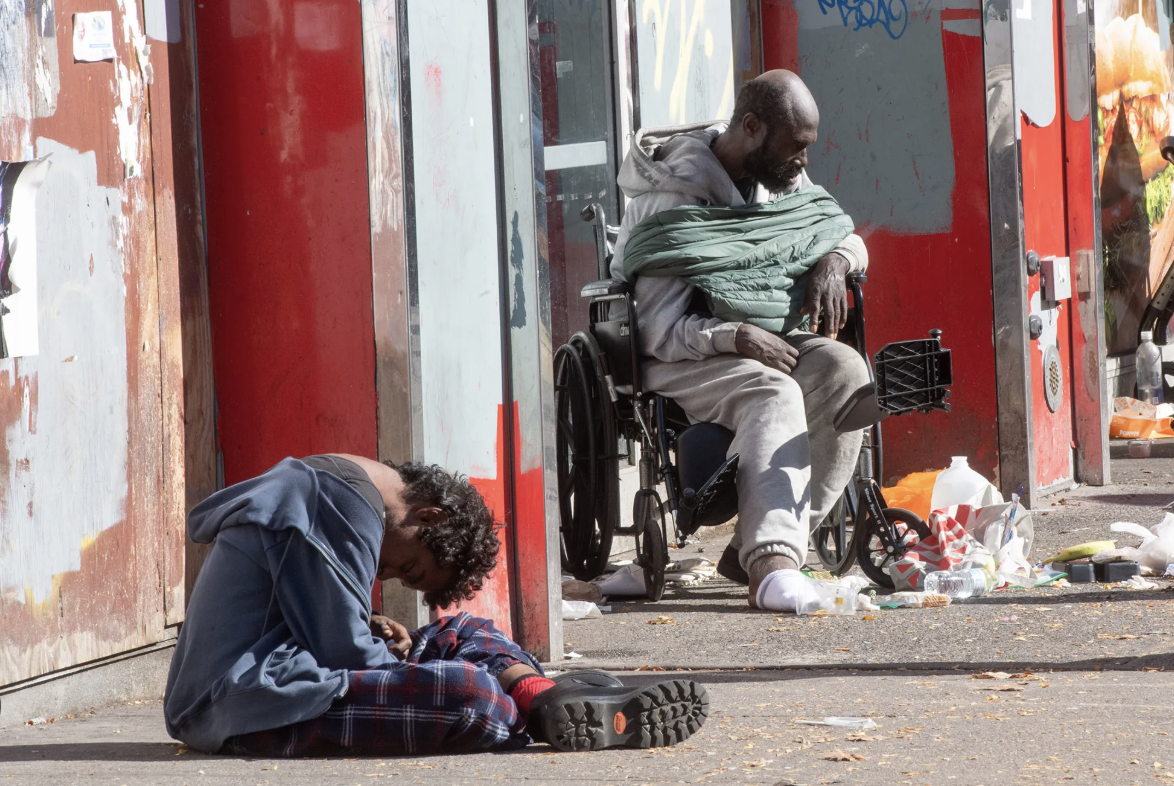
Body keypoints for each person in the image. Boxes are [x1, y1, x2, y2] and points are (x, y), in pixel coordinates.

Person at [163, 454, 708, 756]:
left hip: (287, 676)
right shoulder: (337, 497)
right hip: (242, 704)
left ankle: (543, 695)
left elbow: (320, 624)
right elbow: (341, 651)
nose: (388, 574)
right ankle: (535, 704)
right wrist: (393, 660)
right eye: (410, 568)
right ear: (429, 518)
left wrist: (388, 640)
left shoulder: (346, 495)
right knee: (469, 693)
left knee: (461, 628)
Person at [612, 70, 874, 613]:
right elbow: (658, 332)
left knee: (846, 375)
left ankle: (747, 548)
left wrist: (835, 261)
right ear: (752, 128)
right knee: (774, 393)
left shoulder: (779, 181)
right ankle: (773, 565)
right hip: (682, 352)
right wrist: (736, 335)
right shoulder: (672, 203)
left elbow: (835, 228)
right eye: (795, 147)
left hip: (765, 338)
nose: (803, 161)